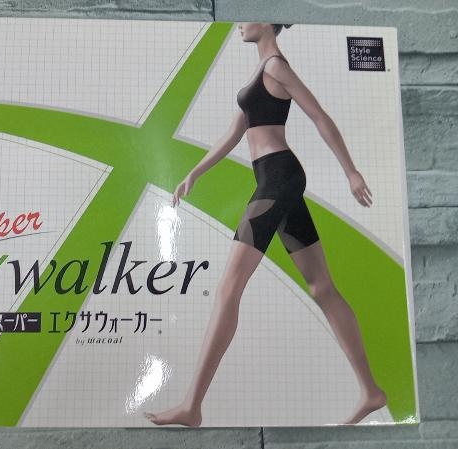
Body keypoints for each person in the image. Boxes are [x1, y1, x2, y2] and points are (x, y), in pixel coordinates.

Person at [144, 22, 387, 427]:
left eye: (247, 15)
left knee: (229, 287)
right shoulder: (260, 71)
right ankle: (371, 391)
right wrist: (195, 173)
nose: (239, 24)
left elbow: (319, 116)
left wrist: (351, 172)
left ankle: (192, 405)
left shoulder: (276, 67)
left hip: (278, 179)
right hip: (275, 179)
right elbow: (234, 131)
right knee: (321, 286)